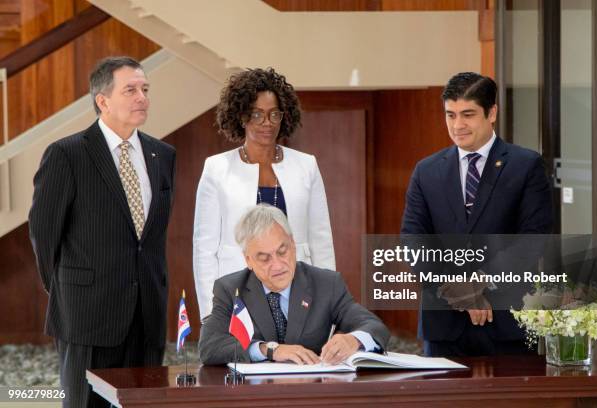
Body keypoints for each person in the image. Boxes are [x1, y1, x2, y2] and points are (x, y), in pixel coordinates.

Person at [28, 56, 176, 407]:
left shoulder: (163, 154)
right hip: (87, 317)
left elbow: (151, 239)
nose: (142, 97)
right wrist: (68, 290)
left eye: (145, 89)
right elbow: (43, 233)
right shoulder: (67, 154)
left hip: (148, 315)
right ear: (103, 100)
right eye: (131, 90)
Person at [400, 72, 553, 357]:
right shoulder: (426, 171)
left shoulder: (526, 165)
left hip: (508, 323)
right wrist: (453, 288)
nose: (458, 125)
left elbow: (532, 240)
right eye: (450, 115)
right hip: (443, 325)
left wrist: (479, 281)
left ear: (491, 112)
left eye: (468, 114)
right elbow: (414, 240)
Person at [193, 68, 335, 320]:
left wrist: (328, 304)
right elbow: (205, 249)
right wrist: (210, 313)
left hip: (296, 288)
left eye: (274, 114)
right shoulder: (216, 168)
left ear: (284, 116)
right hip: (238, 292)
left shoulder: (307, 165)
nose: (266, 122)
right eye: (256, 114)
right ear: (241, 116)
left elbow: (321, 241)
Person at [199, 204, 389, 365]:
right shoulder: (230, 289)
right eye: (264, 258)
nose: (277, 265)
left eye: (282, 251)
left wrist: (353, 339)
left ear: (293, 243)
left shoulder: (326, 284)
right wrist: (268, 350)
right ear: (248, 260)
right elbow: (209, 346)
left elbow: (374, 326)